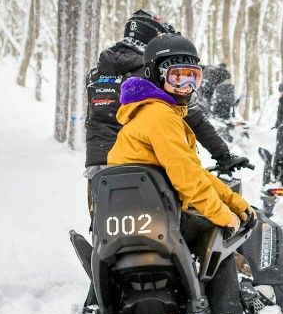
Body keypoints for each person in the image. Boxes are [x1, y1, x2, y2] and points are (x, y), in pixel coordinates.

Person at [107, 33, 257, 314]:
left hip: (127, 226)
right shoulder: (162, 117)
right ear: (155, 76)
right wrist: (226, 216)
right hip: (161, 222)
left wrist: (233, 201)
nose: (186, 88)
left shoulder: (142, 115)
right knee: (217, 231)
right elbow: (189, 181)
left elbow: (192, 172)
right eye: (177, 77)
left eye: (193, 78)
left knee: (215, 216)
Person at [84, 10, 248, 193]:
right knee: (168, 219)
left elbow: (93, 119)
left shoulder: (95, 73)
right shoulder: (151, 73)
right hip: (140, 167)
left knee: (105, 219)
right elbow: (192, 116)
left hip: (97, 166)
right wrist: (223, 154)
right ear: (152, 34)